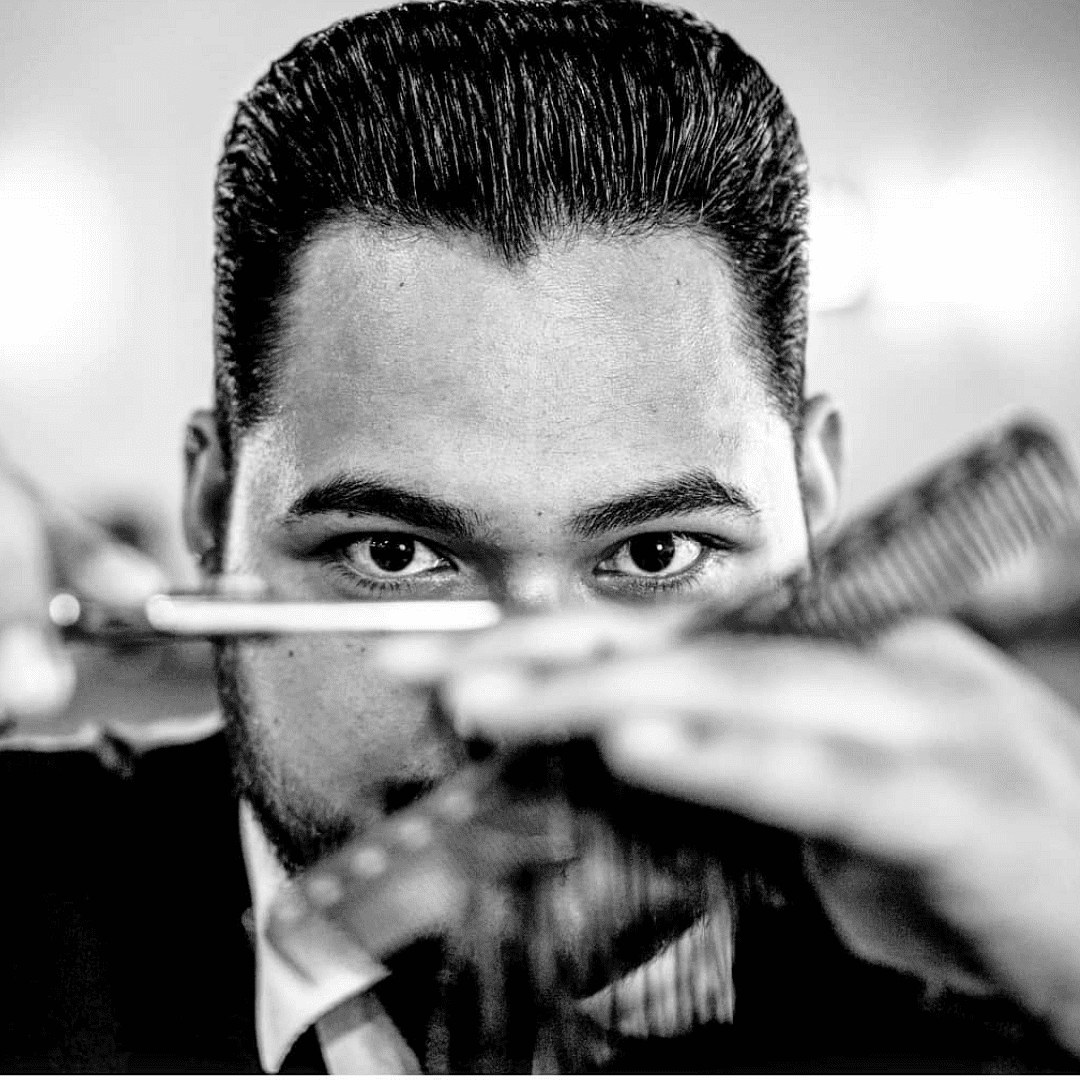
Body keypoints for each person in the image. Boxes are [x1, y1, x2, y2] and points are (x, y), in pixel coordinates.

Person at [1, 0, 1079, 1071]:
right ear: (208, 506)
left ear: (813, 492)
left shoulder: (1005, 978)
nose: (515, 705)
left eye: (653, 553)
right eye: (394, 554)